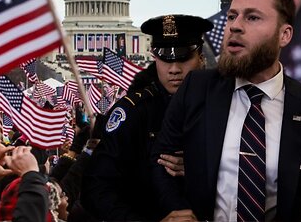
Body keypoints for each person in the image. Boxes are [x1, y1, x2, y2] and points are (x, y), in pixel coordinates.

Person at [151, 0, 301, 222]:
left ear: (284, 35)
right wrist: (176, 210)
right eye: (232, 16)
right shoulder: (196, 89)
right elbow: (160, 161)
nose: (235, 26)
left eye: (252, 17)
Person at [81, 14, 213, 221]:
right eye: (166, 59)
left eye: (183, 58)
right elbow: (97, 188)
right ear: (155, 58)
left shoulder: (222, 106)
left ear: (201, 57)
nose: (174, 69)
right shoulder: (134, 111)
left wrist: (202, 168)